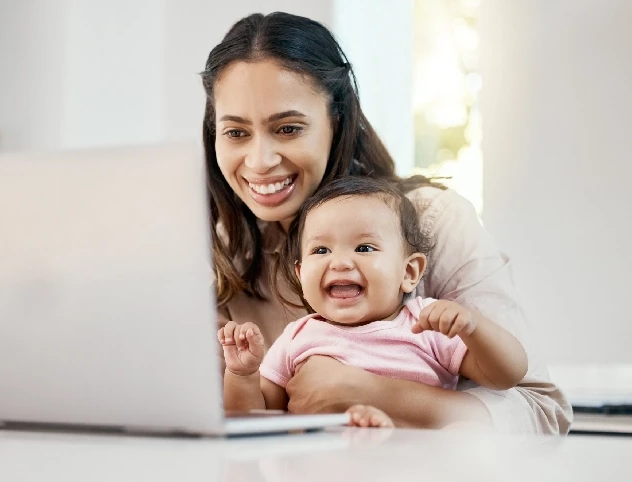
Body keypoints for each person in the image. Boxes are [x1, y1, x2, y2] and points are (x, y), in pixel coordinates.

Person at [201, 11, 572, 433]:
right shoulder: (226, 253)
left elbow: (543, 412)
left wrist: (372, 392)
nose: (260, 161)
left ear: (335, 123)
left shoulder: (432, 220)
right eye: (235, 133)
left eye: (287, 128)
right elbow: (219, 418)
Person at [218, 177, 528, 428]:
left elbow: (507, 375)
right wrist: (242, 375)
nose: (339, 262)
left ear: (409, 272)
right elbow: (254, 419)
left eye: (364, 247)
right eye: (321, 251)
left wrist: (474, 328)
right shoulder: (298, 337)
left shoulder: (424, 323)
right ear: (300, 274)